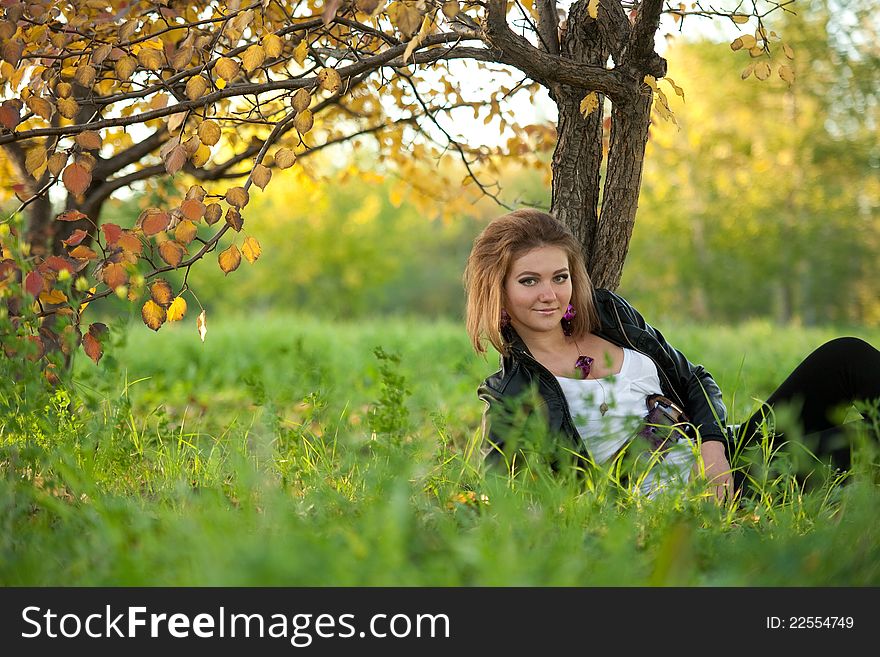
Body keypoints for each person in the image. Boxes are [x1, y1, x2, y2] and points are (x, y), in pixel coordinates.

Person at [463, 209, 880, 501]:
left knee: (846, 355)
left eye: (560, 277)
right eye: (529, 280)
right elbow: (502, 494)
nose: (549, 294)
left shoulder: (610, 316)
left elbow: (694, 379)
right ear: (498, 290)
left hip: (722, 451)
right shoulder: (511, 393)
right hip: (686, 493)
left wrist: (714, 448)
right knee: (867, 442)